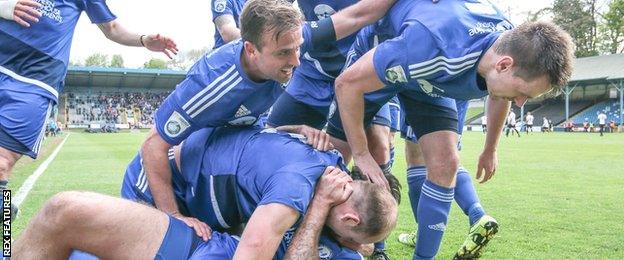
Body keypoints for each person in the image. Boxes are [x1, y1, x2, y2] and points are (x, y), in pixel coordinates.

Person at [139, 0, 409, 238]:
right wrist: (172, 217)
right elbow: (152, 145)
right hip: (167, 187)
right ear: (251, 49)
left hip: (217, 177)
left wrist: (295, 130)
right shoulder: (211, 84)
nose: (296, 61)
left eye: (297, 49)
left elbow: (358, 15)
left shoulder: (285, 40)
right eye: (284, 53)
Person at [325, 0, 574, 258]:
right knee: (336, 156)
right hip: (386, 56)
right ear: (503, 65)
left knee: (446, 163)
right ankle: (326, 244)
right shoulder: (434, 43)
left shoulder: (506, 47)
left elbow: (501, 97)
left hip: (428, 78)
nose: (521, 103)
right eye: (523, 93)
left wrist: (490, 148)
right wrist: (362, 154)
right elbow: (347, 84)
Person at [0, 0, 178, 219]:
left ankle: (5, 233)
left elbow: (112, 28)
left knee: (2, 163)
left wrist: (143, 40)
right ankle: (4, 209)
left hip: (38, 78)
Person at [15, 162, 396, 259]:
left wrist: (318, 207)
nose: (359, 249)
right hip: (206, 243)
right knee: (63, 211)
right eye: (359, 241)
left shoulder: (345, 252)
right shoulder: (317, 171)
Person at [120, 126, 398, 258]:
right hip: (160, 184)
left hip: (205, 199)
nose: (347, 245)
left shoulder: (333, 162)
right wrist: (319, 207)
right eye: (348, 238)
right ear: (350, 220)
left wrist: (298, 128)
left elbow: (269, 135)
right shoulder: (295, 189)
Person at [396, 99, 498, 259]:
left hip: (428, 89)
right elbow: (499, 95)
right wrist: (491, 149)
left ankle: (422, 234)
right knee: (447, 156)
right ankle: (477, 214)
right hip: (459, 97)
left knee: (416, 156)